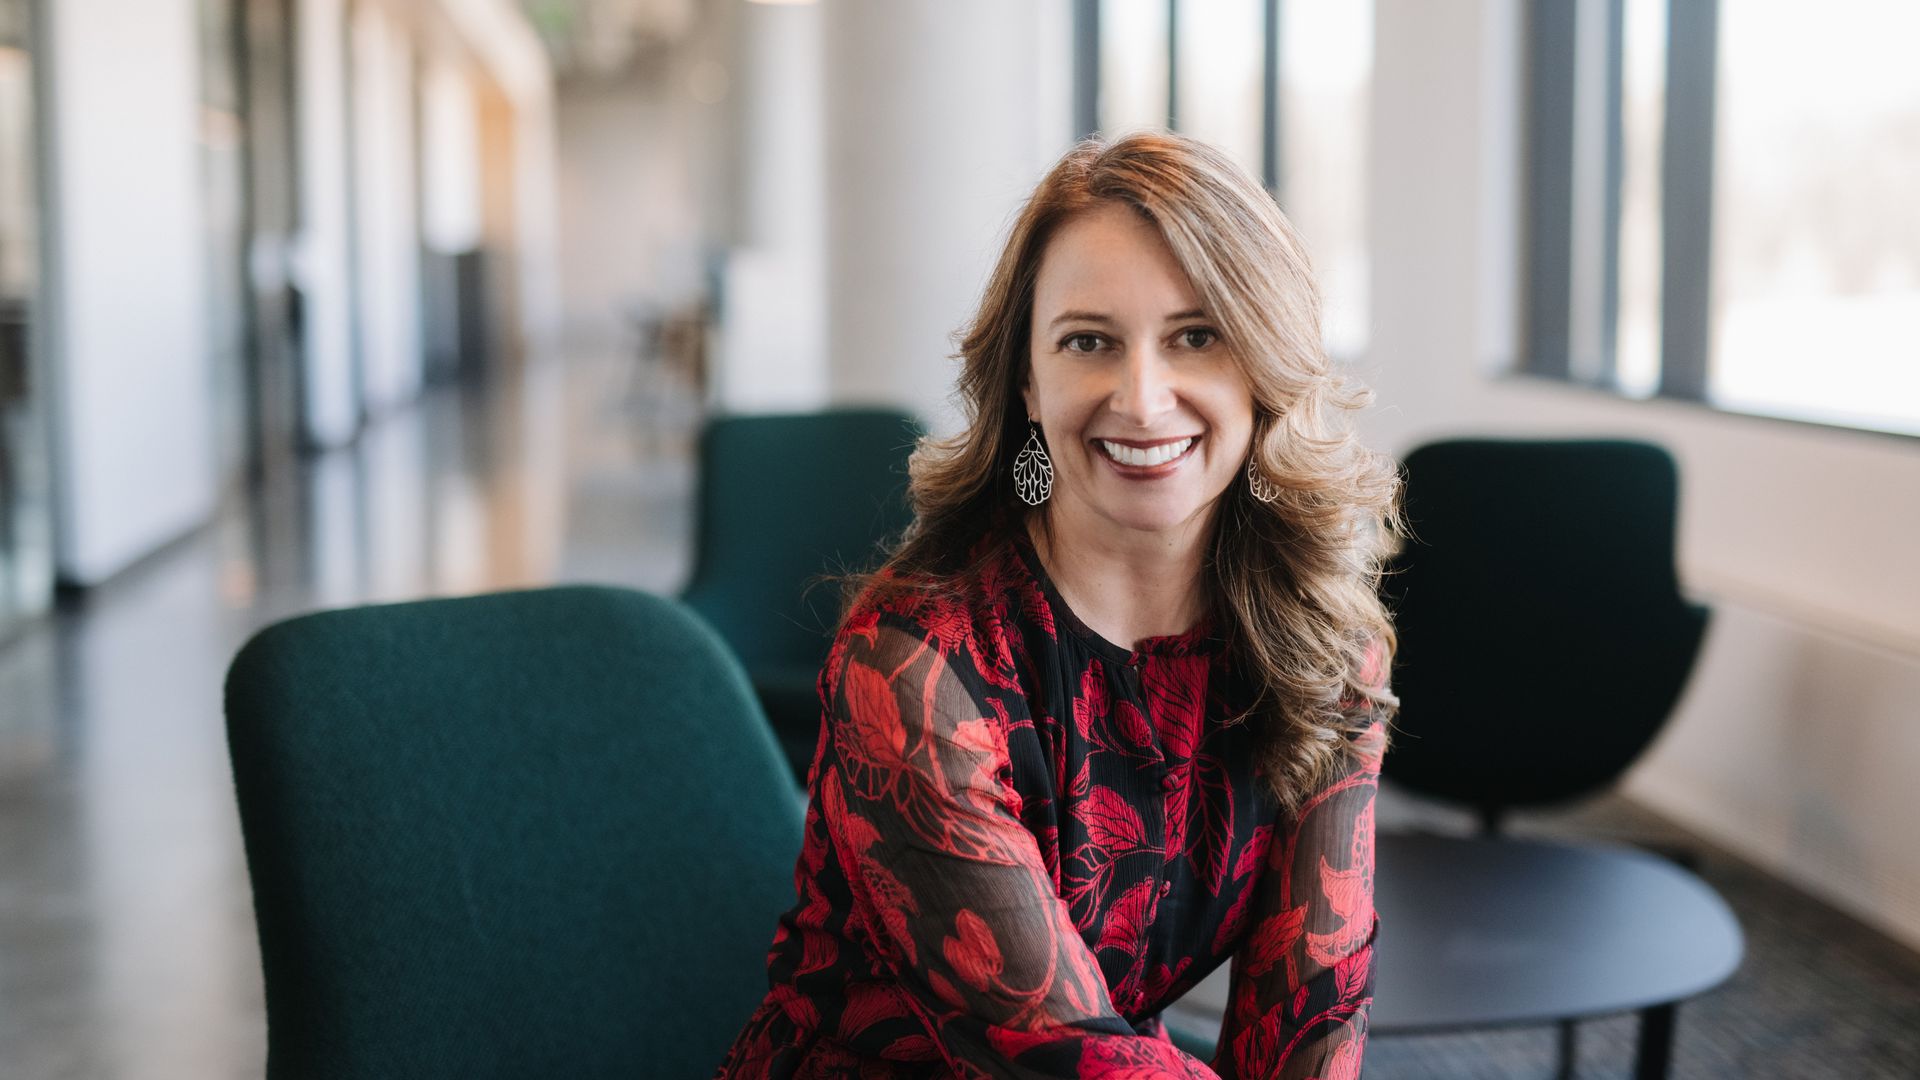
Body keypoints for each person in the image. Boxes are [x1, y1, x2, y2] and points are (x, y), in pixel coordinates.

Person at [717, 130, 1402, 1079]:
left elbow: (1312, 1005)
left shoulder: (1324, 643)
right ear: (1029, 384)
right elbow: (1062, 1058)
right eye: (1090, 342)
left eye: (1195, 336)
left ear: (1263, 364)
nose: (1143, 397)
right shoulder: (916, 663)